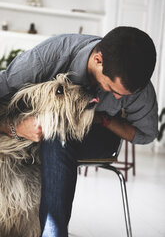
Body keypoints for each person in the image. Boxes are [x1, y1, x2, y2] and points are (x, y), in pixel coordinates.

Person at [0, 26, 158, 236]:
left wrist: (106, 120)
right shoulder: (46, 58)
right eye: (111, 89)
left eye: (125, 95)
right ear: (98, 60)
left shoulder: (139, 87)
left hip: (99, 133)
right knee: (54, 131)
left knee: (57, 135)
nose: (118, 99)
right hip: (32, 134)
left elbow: (145, 134)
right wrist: (14, 128)